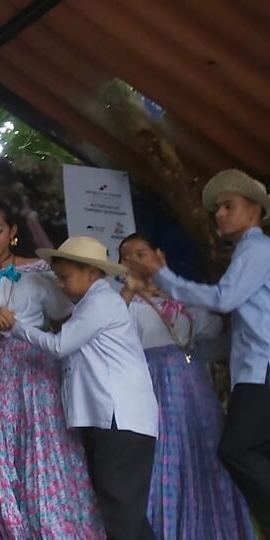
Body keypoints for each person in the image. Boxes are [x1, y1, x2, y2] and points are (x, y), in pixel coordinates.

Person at [126, 169, 270, 533]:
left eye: (228, 205)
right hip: (249, 367)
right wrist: (191, 355)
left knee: (234, 450)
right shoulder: (248, 253)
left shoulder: (257, 249)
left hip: (262, 369)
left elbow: (224, 300)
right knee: (254, 451)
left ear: (254, 211)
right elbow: (235, 332)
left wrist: (164, 277)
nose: (220, 214)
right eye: (217, 208)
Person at [0, 199, 101, 538]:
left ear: (13, 232)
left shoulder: (40, 274)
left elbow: (65, 322)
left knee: (44, 446)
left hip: (38, 368)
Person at [7, 236, 160, 540]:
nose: (61, 285)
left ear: (91, 274)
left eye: (65, 277)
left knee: (120, 508)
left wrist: (18, 328)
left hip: (120, 418)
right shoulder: (93, 303)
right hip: (114, 418)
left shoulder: (101, 301)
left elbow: (60, 345)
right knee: (120, 508)